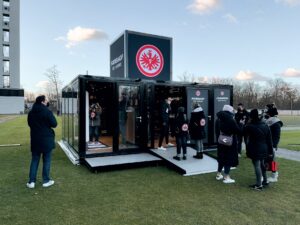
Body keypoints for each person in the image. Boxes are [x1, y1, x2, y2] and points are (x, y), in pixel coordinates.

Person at [27, 95, 57, 188]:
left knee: (35, 160)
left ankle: (31, 182)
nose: (47, 101)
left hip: (35, 140)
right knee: (46, 160)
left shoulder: (31, 113)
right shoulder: (47, 111)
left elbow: (30, 124)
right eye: (46, 100)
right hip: (46, 140)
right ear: (43, 101)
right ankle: (46, 180)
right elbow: (54, 124)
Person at [244, 109, 274, 190]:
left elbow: (244, 137)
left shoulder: (249, 126)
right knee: (262, 164)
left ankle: (259, 184)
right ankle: (265, 181)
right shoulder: (265, 125)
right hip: (264, 148)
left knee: (257, 165)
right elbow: (269, 140)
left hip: (255, 148)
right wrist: (270, 152)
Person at [215, 105, 241, 184]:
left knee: (221, 157)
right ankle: (226, 176)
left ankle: (218, 174)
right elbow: (237, 131)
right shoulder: (231, 120)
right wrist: (241, 125)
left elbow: (216, 131)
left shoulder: (218, 119)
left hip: (220, 141)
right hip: (230, 142)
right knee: (228, 158)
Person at [264, 103, 283, 182]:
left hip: (272, 145)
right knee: (266, 160)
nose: (266, 113)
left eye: (267, 112)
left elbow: (277, 136)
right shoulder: (270, 121)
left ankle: (274, 175)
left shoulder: (276, 123)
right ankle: (265, 175)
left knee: (273, 161)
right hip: (267, 144)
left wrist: (274, 146)